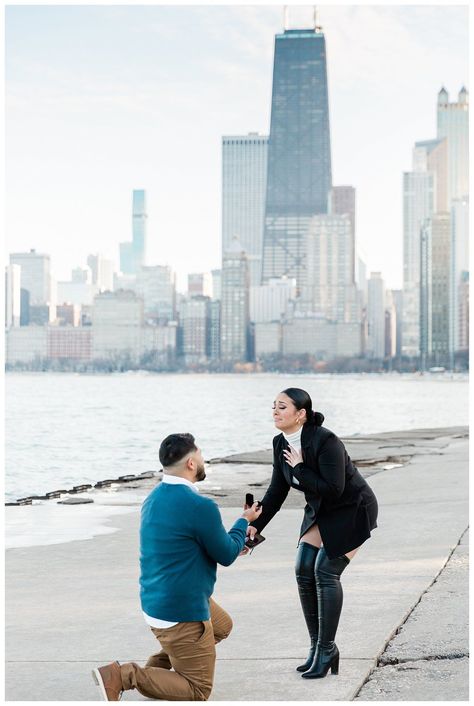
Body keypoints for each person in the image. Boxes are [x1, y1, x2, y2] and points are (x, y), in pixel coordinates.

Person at [92, 432, 262, 701]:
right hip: (182, 610)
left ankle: (157, 671)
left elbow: (197, 545)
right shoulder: (199, 506)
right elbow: (227, 555)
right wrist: (243, 520)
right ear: (192, 463)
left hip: (157, 599)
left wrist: (234, 540)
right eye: (201, 455)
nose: (204, 460)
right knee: (198, 690)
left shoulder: (154, 497)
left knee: (222, 626)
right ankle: (123, 676)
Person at [247, 388, 378, 679]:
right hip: (321, 510)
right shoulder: (279, 442)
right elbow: (277, 491)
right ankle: (317, 648)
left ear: (301, 414)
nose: (275, 412)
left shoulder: (325, 440)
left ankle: (328, 648)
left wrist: (301, 467)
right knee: (303, 567)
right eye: (273, 407)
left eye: (282, 407)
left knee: (326, 572)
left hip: (352, 509)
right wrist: (255, 525)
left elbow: (335, 488)